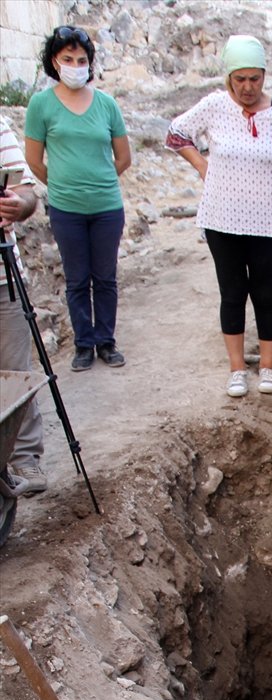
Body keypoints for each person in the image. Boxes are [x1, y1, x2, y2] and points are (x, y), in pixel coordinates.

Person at [166, 34, 272, 399]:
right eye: (239, 79)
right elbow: (176, 132)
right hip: (222, 220)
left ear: (264, 76)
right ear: (228, 78)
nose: (247, 87)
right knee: (232, 294)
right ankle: (237, 370)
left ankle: (267, 368)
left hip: (268, 223)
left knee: (265, 295)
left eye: (254, 78)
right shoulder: (215, 106)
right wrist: (203, 166)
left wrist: (271, 185)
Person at [25, 24, 131, 372]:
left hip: (106, 207)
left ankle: (106, 341)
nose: (75, 64)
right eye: (68, 58)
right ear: (55, 61)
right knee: (76, 279)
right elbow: (34, 161)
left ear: (90, 63)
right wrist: (62, 185)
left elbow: (123, 158)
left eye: (81, 59)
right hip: (66, 208)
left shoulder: (106, 104)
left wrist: (96, 181)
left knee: (105, 278)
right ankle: (83, 345)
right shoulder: (41, 105)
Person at [0, 116, 46, 496]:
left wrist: (18, 205)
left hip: (2, 281)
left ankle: (25, 456)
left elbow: (26, 190)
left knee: (16, 370)